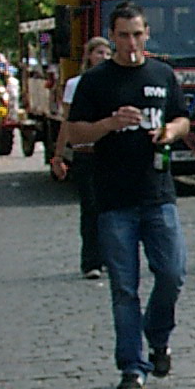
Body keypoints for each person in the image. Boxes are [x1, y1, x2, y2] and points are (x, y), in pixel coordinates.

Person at [64, 3, 191, 389]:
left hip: (158, 193)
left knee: (172, 272)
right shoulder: (96, 81)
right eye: (123, 35)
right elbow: (75, 134)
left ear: (147, 34)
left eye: (137, 34)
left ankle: (157, 335)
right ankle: (131, 367)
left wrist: (171, 131)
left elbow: (181, 116)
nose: (131, 43)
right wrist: (109, 124)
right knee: (124, 287)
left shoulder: (162, 73)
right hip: (114, 197)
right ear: (112, 37)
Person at [51, 37, 113, 278]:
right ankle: (91, 260)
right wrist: (59, 155)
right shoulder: (76, 84)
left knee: (113, 208)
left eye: (107, 53)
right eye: (99, 53)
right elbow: (68, 122)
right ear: (88, 56)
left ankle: (111, 255)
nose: (103, 57)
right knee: (90, 207)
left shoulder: (115, 82)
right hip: (86, 151)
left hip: (112, 152)